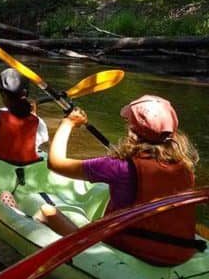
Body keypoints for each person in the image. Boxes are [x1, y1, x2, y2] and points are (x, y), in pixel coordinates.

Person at [42, 95, 200, 266]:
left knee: (46, 211)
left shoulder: (118, 166)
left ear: (132, 131)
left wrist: (68, 123)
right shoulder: (185, 167)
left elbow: (55, 163)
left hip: (131, 247)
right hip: (179, 252)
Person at [0, 68, 49, 165]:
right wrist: (33, 115)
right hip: (25, 169)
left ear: (4, 95)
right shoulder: (39, 122)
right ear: (25, 93)